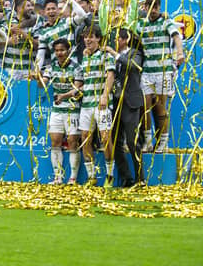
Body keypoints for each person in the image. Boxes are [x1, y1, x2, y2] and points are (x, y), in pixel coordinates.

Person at [138, 0, 185, 153]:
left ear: (159, 7)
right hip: (146, 73)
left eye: (156, 8)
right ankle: (148, 142)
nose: (153, 11)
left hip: (163, 73)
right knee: (145, 108)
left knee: (160, 108)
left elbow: (176, 37)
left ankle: (163, 143)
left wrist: (180, 53)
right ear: (145, 8)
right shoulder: (141, 24)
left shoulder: (165, 21)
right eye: (149, 8)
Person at [35, 38, 83, 184]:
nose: (59, 53)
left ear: (68, 50)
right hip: (56, 109)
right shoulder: (51, 67)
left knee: (72, 142)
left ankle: (73, 178)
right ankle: (58, 177)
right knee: (55, 141)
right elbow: (41, 85)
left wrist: (63, 96)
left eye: (62, 50)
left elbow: (77, 89)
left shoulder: (76, 67)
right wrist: (38, 75)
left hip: (72, 109)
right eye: (56, 51)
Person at [104, 28, 145, 187]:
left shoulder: (135, 53)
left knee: (132, 141)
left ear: (124, 39)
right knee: (115, 142)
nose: (114, 42)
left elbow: (134, 67)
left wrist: (115, 54)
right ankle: (126, 178)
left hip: (130, 103)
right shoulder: (108, 58)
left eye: (116, 39)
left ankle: (140, 179)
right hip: (115, 103)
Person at [77, 24, 116, 187]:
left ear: (98, 38)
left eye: (91, 36)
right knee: (85, 138)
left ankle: (110, 176)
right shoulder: (84, 57)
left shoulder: (106, 55)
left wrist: (105, 96)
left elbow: (111, 75)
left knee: (106, 138)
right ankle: (91, 177)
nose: (88, 39)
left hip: (101, 105)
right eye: (86, 37)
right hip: (86, 105)